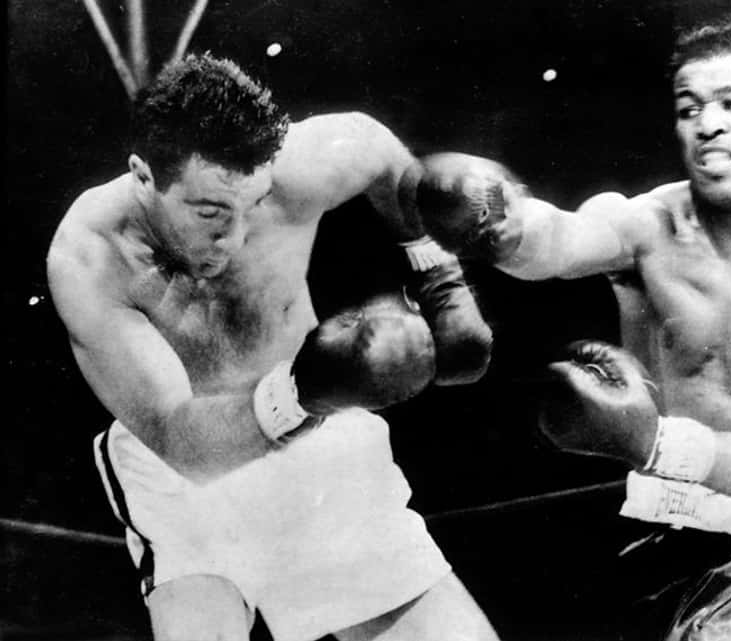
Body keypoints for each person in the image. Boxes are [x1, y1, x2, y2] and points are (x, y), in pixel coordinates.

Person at [406, 16, 731, 641]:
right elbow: (558, 243)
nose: (708, 123)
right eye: (690, 108)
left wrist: (651, 442)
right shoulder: (645, 226)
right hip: (649, 530)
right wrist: (500, 225)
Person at [46, 52, 498, 641]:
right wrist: (309, 389)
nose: (234, 238)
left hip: (319, 444)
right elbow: (181, 441)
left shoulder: (303, 167)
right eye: (210, 212)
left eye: (253, 204)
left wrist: (442, 283)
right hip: (184, 475)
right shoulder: (91, 256)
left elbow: (381, 153)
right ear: (144, 176)